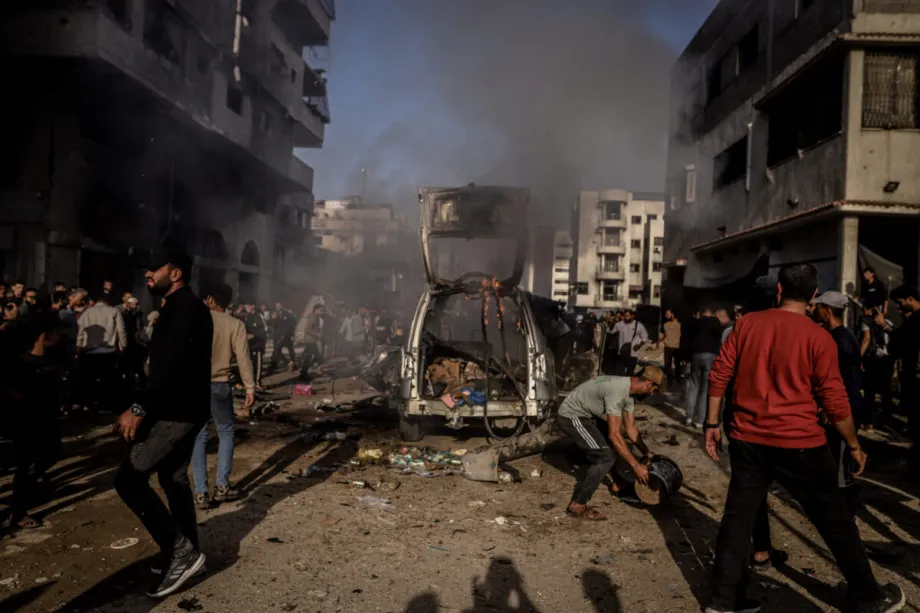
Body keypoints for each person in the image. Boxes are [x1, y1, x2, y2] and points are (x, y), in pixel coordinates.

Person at [704, 264, 903, 613]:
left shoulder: (746, 324)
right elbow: (835, 402)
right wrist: (854, 446)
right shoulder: (819, 337)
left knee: (738, 518)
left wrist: (711, 424)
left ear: (779, 290)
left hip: (748, 440)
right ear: (812, 296)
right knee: (835, 520)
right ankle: (868, 597)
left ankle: (723, 601)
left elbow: (719, 374)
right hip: (801, 443)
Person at [112, 246, 213, 598]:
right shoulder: (182, 307)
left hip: (174, 413)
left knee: (128, 480)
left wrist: (138, 408)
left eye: (155, 268)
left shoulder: (183, 308)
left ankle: (181, 552)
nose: (148, 274)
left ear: (176, 273)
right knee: (172, 477)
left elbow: (171, 369)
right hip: (185, 409)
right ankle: (186, 550)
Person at [556, 367, 663, 520]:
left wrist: (647, 452)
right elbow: (614, 435)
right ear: (648, 384)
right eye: (653, 390)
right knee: (604, 457)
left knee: (615, 447)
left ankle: (619, 485)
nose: (651, 394)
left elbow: (631, 428)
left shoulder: (628, 391)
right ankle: (577, 505)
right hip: (571, 416)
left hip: (587, 415)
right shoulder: (618, 391)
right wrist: (636, 466)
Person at [192, 283, 255, 509]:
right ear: (229, 302)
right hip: (220, 384)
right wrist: (249, 387)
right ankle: (222, 486)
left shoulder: (196, 321)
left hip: (196, 385)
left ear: (210, 300)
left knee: (199, 435)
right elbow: (243, 358)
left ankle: (201, 492)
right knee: (226, 432)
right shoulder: (235, 324)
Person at [0, 312, 63, 530]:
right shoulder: (20, 363)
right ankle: (18, 512)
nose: (59, 336)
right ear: (44, 335)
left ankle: (32, 489)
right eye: (56, 332)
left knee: (48, 456)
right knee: (26, 465)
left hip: (47, 421)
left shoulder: (51, 359)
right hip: (26, 422)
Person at [812, 291, 865, 509]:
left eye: (818, 307)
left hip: (844, 407)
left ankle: (843, 507)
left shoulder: (837, 341)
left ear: (827, 311)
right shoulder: (845, 336)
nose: (814, 310)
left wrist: (827, 409)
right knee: (837, 457)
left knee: (842, 458)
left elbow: (837, 381)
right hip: (847, 403)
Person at [886, 285, 920, 470]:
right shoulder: (912, 321)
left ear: (910, 299)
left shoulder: (915, 321)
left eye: (900, 303)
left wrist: (887, 328)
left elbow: (898, 346)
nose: (898, 307)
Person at [76, 292, 127, 413]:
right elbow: (121, 330)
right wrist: (123, 346)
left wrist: (79, 347)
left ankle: (91, 403)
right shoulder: (114, 311)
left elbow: (80, 331)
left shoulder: (87, 312)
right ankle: (106, 405)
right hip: (108, 351)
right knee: (108, 379)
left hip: (90, 351)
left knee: (90, 379)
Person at [685, 307, 723, 428]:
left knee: (693, 386)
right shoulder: (716, 322)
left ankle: (689, 418)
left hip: (695, 356)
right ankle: (700, 421)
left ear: (701, 314)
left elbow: (687, 340)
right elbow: (719, 339)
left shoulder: (695, 323)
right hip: (710, 357)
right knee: (704, 389)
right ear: (711, 313)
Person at [609, 309, 648, 376]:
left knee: (629, 374)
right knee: (619, 373)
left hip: (633, 354)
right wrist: (611, 322)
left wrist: (639, 345)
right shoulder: (620, 324)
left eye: (627, 316)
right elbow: (611, 331)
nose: (625, 318)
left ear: (632, 316)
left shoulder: (639, 325)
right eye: (624, 316)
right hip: (621, 353)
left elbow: (645, 337)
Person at [299, 304, 326, 382]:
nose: (322, 312)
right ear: (315, 310)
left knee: (311, 356)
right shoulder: (313, 317)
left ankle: (304, 370)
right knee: (316, 357)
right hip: (310, 340)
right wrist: (317, 334)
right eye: (321, 310)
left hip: (311, 340)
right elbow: (307, 329)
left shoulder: (315, 317)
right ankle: (304, 371)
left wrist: (318, 332)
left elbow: (313, 328)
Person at [244, 304, 267, 389]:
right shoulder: (248, 316)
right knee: (250, 365)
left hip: (258, 345)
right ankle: (251, 383)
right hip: (250, 344)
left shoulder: (259, 316)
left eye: (247, 307)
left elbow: (264, 330)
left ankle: (258, 383)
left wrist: (254, 335)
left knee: (258, 365)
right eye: (245, 307)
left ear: (252, 306)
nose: (246, 309)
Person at [269, 302, 297, 371]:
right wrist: (272, 319)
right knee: (277, 350)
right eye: (276, 306)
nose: (277, 307)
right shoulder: (274, 314)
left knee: (291, 350)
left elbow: (293, 324)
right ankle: (288, 362)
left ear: (282, 306)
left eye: (279, 305)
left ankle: (293, 364)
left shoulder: (287, 314)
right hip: (278, 336)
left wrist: (292, 335)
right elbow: (272, 325)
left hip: (287, 335)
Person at [657, 309, 681, 385]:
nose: (665, 316)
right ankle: (670, 380)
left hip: (677, 348)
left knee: (678, 365)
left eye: (667, 314)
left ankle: (678, 379)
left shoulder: (680, 324)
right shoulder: (665, 324)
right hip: (668, 347)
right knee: (667, 365)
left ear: (672, 314)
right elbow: (662, 335)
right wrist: (658, 342)